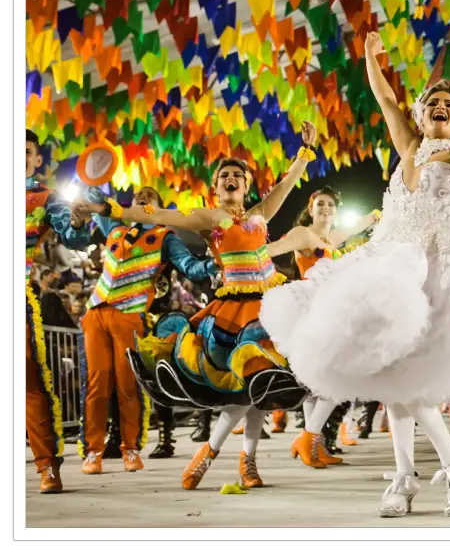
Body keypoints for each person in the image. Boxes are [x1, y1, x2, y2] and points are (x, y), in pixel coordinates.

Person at [260, 31, 450, 519]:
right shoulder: (407, 146)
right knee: (390, 379)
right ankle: (415, 473)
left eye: (449, 104)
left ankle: (444, 463)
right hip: (386, 267)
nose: (439, 108)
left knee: (408, 383)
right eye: (432, 104)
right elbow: (384, 96)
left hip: (436, 276)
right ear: (421, 116)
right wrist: (369, 57)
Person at [116, 121, 319, 491]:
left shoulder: (260, 214)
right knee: (244, 391)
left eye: (237, 176)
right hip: (232, 313)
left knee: (258, 390)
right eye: (223, 175)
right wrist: (111, 209)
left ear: (246, 186)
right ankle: (209, 454)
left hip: (270, 308)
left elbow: (287, 186)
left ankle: (248, 464)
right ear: (216, 187)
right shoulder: (211, 218)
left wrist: (304, 152)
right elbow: (160, 216)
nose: (230, 179)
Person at [69, 186, 219, 475]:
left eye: (151, 195)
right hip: (95, 313)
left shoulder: (166, 237)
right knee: (96, 386)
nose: (144, 196)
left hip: (130, 316)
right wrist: (91, 177)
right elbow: (98, 200)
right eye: (140, 194)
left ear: (159, 208)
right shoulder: (114, 228)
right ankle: (93, 452)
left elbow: (192, 268)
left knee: (128, 386)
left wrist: (220, 256)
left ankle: (131, 449)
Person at [264, 186, 380, 469]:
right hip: (312, 311)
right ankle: (308, 437)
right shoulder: (303, 234)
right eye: (320, 204)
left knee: (318, 383)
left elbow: (357, 226)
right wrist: (271, 276)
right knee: (335, 378)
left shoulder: (331, 238)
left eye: (330, 204)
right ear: (310, 207)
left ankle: (312, 446)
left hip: (330, 310)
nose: (326, 208)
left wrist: (378, 215)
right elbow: (268, 251)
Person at [25, 130, 95, 493]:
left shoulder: (44, 198)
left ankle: (46, 467)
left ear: (38, 161)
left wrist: (80, 220)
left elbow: (75, 238)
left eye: (27, 152)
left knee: (27, 385)